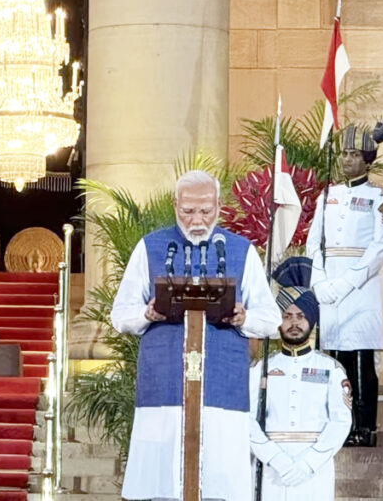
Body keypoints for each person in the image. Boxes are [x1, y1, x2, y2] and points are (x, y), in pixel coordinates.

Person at [110, 169, 280, 501]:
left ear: (219, 205)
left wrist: (245, 316)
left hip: (222, 386)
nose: (197, 219)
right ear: (175, 205)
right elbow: (119, 314)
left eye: (206, 210)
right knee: (161, 477)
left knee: (220, 476)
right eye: (188, 211)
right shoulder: (150, 247)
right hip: (165, 386)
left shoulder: (241, 251)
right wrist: (145, 313)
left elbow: (271, 319)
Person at [306, 120, 383, 446]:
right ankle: (337, 422)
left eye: (353, 154)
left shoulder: (381, 199)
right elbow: (313, 243)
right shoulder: (326, 196)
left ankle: (363, 426)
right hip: (327, 285)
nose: (346, 160)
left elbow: (379, 249)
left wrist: (345, 283)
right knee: (332, 357)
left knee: (360, 358)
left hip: (361, 290)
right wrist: (318, 282)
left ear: (367, 158)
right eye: (343, 153)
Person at [250, 257, 352, 501]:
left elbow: (340, 421)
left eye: (300, 316)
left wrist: (309, 463)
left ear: (311, 320)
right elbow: (247, 418)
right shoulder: (261, 368)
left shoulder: (331, 369)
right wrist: (275, 458)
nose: (294, 323)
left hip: (316, 469)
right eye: (287, 316)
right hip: (271, 469)